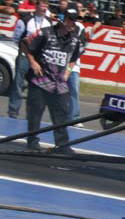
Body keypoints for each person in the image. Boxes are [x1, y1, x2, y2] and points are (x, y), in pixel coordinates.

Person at [21, 9, 83, 151]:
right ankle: (32, 141)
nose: (73, 23)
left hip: (59, 84)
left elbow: (74, 58)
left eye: (75, 20)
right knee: (35, 113)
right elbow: (24, 43)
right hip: (40, 81)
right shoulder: (45, 33)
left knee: (61, 114)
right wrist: (33, 62)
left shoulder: (75, 39)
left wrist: (67, 73)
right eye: (70, 19)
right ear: (62, 20)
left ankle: (62, 145)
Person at [7, 0, 51, 119]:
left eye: (46, 7)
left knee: (35, 85)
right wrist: (26, 43)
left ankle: (31, 112)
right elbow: (16, 39)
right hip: (24, 55)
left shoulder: (48, 22)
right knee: (18, 83)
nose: (44, 9)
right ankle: (13, 110)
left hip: (39, 58)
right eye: (42, 6)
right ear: (36, 6)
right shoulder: (25, 20)